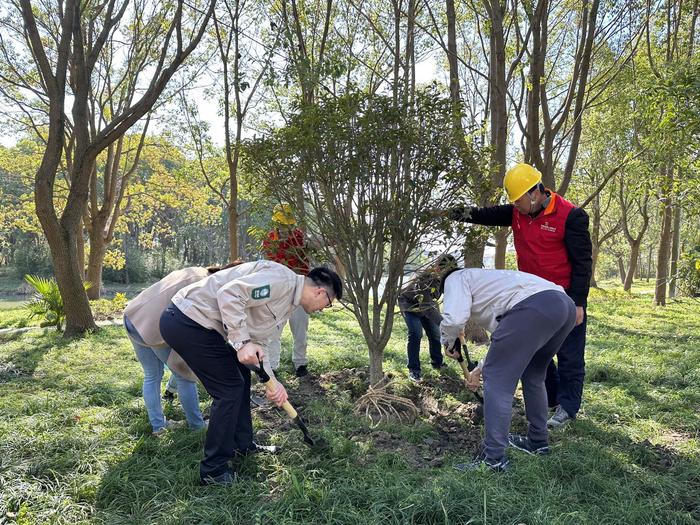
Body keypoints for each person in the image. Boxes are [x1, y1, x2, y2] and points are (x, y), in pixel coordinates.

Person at [159, 260, 342, 485]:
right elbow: (230, 293)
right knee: (229, 389)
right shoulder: (281, 281)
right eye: (328, 303)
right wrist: (242, 341)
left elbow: (259, 343)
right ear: (320, 291)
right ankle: (213, 471)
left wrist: (273, 383)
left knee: (241, 378)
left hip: (207, 327)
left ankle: (242, 445)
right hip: (188, 320)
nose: (323, 309)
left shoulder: (288, 302)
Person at [438, 163, 592, 428]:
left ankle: (567, 407)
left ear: (535, 193)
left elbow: (583, 263)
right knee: (538, 352)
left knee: (569, 354)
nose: (515, 206)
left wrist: (578, 302)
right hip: (529, 297)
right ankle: (551, 398)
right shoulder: (517, 212)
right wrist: (446, 213)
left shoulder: (571, 216)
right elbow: (482, 214)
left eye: (518, 200)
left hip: (565, 298)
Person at [440, 268, 577, 471]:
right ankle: (538, 442)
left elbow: (453, 319)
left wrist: (448, 342)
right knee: (534, 376)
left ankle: (493, 459)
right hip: (563, 306)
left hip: (532, 309)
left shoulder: (455, 277)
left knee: (497, 382)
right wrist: (479, 369)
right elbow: (509, 343)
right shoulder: (493, 283)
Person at [124, 266, 213, 436]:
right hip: (153, 322)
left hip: (132, 315)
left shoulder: (195, 271)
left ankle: (158, 427)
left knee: (152, 375)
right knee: (185, 375)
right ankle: (197, 426)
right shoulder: (206, 282)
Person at [261, 204, 312, 377]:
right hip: (278, 293)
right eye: (281, 225)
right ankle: (272, 365)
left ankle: (300, 363)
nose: (284, 229)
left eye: (286, 225)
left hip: (300, 289)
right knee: (274, 330)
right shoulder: (269, 240)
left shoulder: (300, 238)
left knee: (300, 328)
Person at [398, 254, 458, 382]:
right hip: (410, 304)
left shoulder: (444, 278)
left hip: (427, 304)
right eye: (446, 272)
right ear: (437, 268)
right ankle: (414, 370)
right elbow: (426, 306)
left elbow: (437, 300)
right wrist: (445, 325)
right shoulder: (423, 277)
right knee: (416, 334)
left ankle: (437, 363)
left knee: (435, 334)